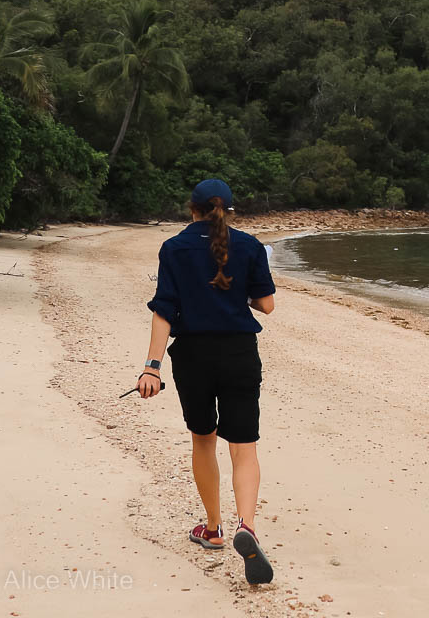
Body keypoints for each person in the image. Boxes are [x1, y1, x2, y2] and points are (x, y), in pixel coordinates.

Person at [135, 178, 277, 585]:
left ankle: (213, 529)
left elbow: (164, 310)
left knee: (203, 438)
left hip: (193, 356)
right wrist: (237, 297)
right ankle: (245, 526)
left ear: (191, 208)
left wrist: (152, 366)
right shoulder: (249, 246)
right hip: (238, 353)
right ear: (229, 211)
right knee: (244, 447)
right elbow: (266, 305)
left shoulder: (174, 248)